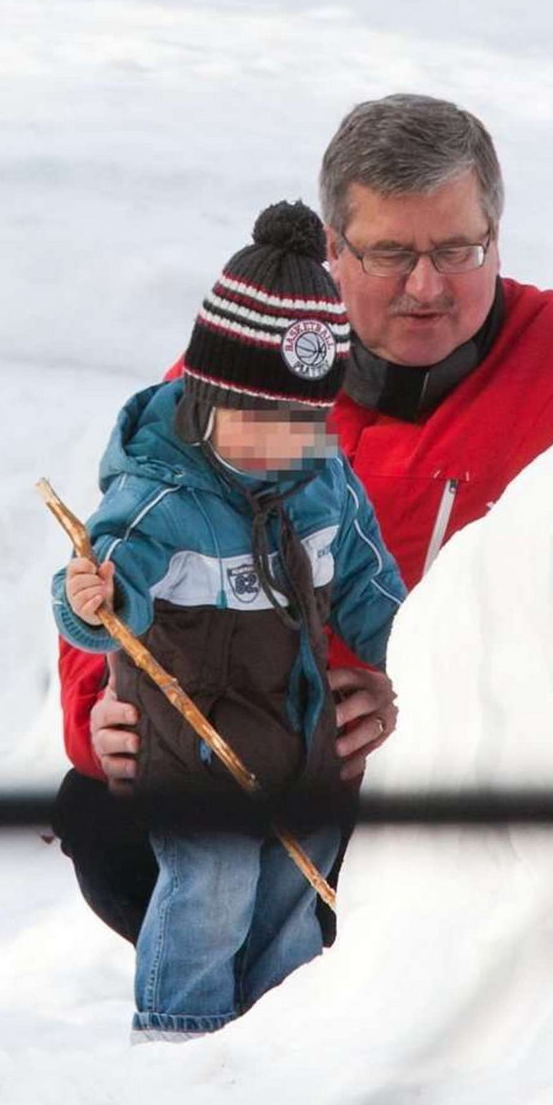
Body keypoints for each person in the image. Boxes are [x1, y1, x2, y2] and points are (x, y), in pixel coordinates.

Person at [54, 92, 553, 946]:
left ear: (496, 236)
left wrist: (427, 699)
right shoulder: (244, 363)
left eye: (458, 248)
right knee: (109, 825)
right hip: (259, 758)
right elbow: (122, 542)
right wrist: (99, 711)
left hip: (474, 783)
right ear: (333, 250)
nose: (427, 286)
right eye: (390, 253)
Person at [51, 201, 404, 1039]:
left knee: (297, 877)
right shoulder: (159, 499)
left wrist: (428, 653)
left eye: (305, 424)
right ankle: (181, 1032)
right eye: (262, 422)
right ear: (210, 396)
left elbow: (370, 583)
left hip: (296, 727)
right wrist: (92, 599)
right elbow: (95, 602)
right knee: (210, 883)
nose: (285, 445)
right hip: (193, 744)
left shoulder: (325, 483)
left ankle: (276, 1035)